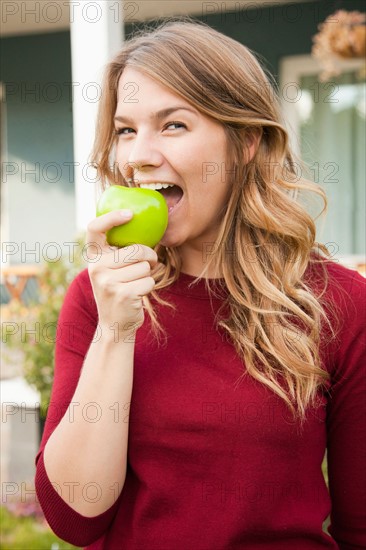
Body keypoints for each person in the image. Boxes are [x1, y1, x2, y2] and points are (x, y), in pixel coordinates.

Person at [35, 19, 366, 550]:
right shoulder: (98, 298)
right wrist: (116, 333)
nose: (138, 155)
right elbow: (76, 518)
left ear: (247, 143)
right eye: (125, 129)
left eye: (173, 125)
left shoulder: (338, 303)